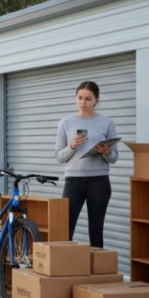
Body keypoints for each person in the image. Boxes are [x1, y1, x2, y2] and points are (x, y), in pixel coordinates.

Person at [54, 81, 118, 248]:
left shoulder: (107, 123)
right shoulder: (66, 122)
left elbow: (114, 158)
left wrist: (105, 152)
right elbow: (59, 157)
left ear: (96, 99)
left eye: (88, 99)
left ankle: (98, 272)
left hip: (99, 181)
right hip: (73, 182)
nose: (83, 102)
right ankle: (64, 269)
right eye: (80, 98)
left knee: (96, 230)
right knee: (65, 229)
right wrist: (72, 146)